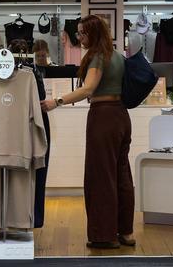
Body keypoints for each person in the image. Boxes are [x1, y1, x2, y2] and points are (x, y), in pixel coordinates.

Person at [40, 15, 135, 249]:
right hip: (121, 116)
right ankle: (126, 232)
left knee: (101, 177)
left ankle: (104, 235)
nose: (79, 37)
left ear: (92, 33)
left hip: (103, 116)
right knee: (121, 175)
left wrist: (57, 101)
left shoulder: (96, 57)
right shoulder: (118, 56)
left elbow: (88, 88)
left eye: (82, 33)